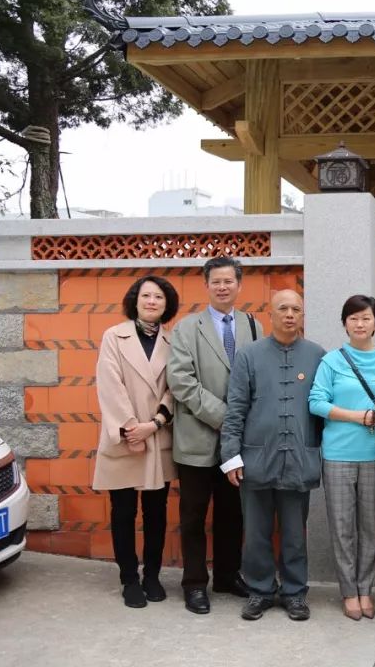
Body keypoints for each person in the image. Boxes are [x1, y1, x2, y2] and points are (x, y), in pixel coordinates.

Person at [220, 290, 326, 621]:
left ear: (302, 315)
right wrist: (231, 456)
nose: (290, 314)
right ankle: (260, 591)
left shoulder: (317, 355)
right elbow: (235, 409)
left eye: (297, 309)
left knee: (295, 534)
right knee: (256, 533)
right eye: (284, 308)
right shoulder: (248, 356)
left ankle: (295, 593)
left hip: (298, 458)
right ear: (271, 313)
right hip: (255, 460)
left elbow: (323, 410)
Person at [167, 256, 262, 614]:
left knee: (232, 514)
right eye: (216, 281)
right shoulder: (187, 328)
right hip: (196, 439)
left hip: (236, 444)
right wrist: (226, 417)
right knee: (192, 515)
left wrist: (239, 425)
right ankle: (194, 583)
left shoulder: (253, 325)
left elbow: (259, 376)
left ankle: (227, 574)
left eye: (229, 281)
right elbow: (180, 381)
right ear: (206, 286)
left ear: (239, 285)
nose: (223, 287)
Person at [92, 275, 179, 608]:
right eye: (146, 295)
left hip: (157, 434)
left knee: (156, 511)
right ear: (135, 300)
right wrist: (131, 429)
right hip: (123, 435)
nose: (153, 301)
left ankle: (152, 576)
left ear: (167, 304)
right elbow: (109, 384)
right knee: (124, 511)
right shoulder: (114, 336)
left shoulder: (174, 341)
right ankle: (129, 579)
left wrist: (154, 424)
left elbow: (177, 387)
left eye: (159, 296)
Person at [308, 294, 375, 621]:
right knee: (342, 527)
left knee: (369, 527)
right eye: (353, 318)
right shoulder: (332, 361)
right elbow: (316, 402)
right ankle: (348, 591)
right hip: (338, 455)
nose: (360, 324)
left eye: (366, 318)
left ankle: (366, 588)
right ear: (344, 323)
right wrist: (358, 416)